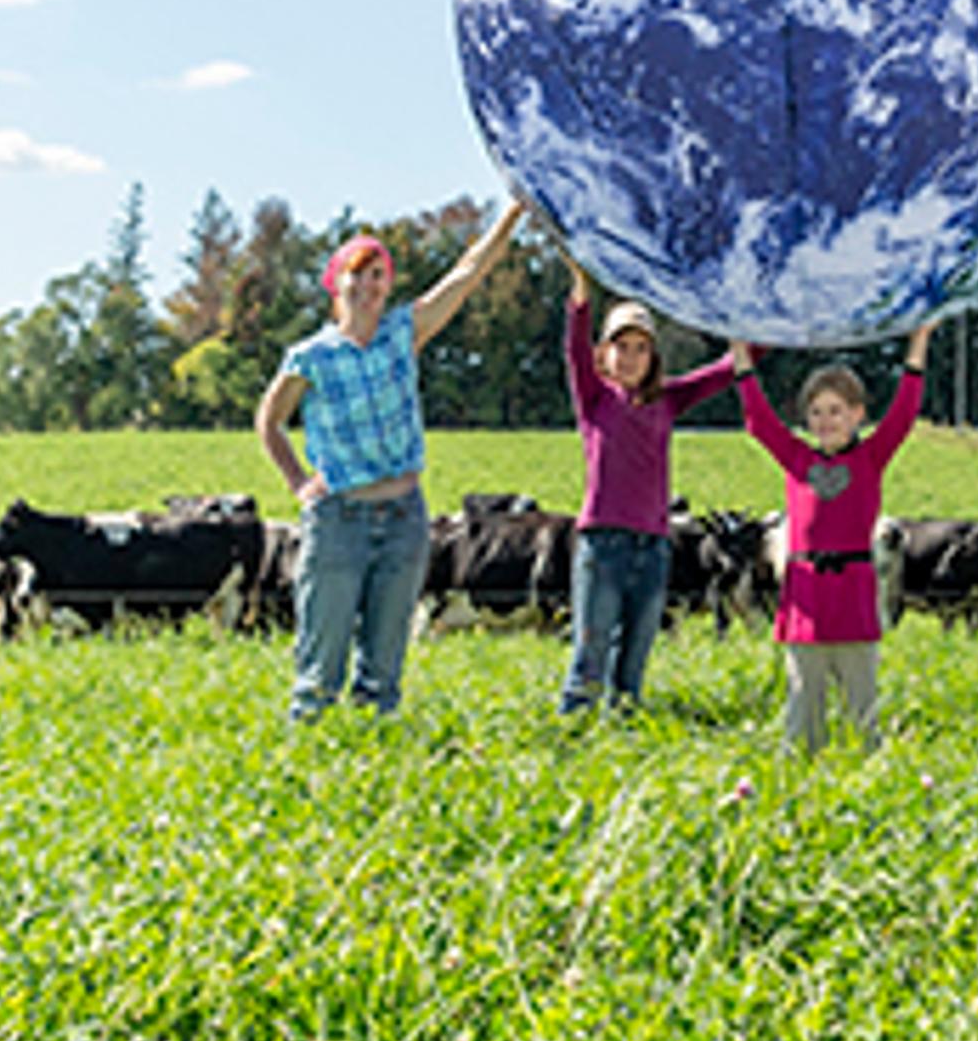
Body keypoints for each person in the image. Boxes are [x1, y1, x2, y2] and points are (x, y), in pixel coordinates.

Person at [253, 200, 526, 720]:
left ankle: (376, 762)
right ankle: (308, 762)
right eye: (357, 275)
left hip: (404, 518)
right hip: (338, 522)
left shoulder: (405, 333)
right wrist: (298, 483)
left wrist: (513, 212)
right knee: (320, 664)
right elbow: (269, 420)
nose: (369, 286)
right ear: (337, 285)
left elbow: (467, 274)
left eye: (378, 275)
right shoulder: (310, 356)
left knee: (384, 667)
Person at [730, 325, 934, 751]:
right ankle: (804, 788)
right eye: (817, 412)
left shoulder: (870, 457)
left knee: (861, 710)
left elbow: (904, 412)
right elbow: (758, 419)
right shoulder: (796, 458)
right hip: (806, 598)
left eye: (836, 410)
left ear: (858, 414)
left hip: (854, 597)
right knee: (804, 710)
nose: (825, 421)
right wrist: (740, 355)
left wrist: (919, 343)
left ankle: (865, 782)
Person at [559, 257, 736, 714]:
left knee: (634, 661)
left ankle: (623, 732)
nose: (631, 356)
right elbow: (574, 346)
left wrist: (758, 322)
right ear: (604, 354)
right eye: (621, 346)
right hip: (602, 545)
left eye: (641, 347)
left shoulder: (669, 399)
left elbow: (728, 368)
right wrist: (581, 290)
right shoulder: (594, 396)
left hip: (654, 546)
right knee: (590, 655)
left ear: (653, 356)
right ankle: (571, 736)